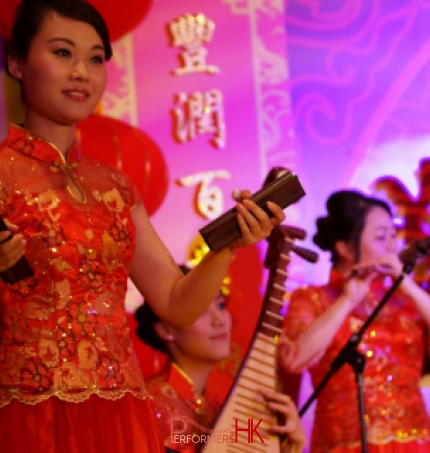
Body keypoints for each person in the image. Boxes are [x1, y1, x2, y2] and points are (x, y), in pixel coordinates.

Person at [0, 1, 286, 452]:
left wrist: (230, 245)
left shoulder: (114, 185)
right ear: (16, 62)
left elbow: (176, 304)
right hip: (29, 412)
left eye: (96, 58)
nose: (82, 72)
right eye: (62, 53)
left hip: (120, 412)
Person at [277, 189, 430, 452]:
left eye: (394, 236)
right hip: (343, 446)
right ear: (345, 247)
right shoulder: (313, 299)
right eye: (381, 237)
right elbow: (292, 359)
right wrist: (347, 300)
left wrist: (408, 285)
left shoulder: (406, 301)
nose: (393, 246)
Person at [135, 264, 306, 453]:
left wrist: (290, 448)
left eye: (221, 305)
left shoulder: (217, 409)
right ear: (166, 329)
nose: (220, 320)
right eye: (201, 310)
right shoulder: (145, 408)